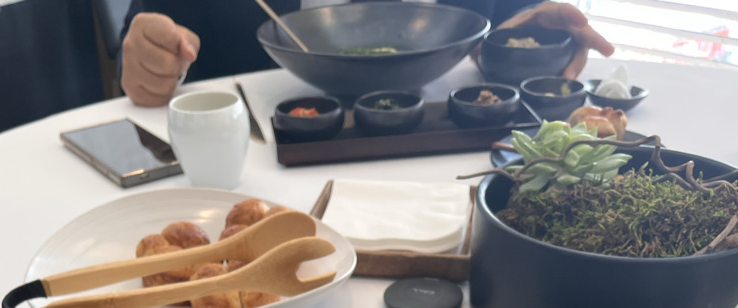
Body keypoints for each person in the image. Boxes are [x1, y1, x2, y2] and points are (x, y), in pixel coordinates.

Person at [120, 0, 614, 107]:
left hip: (449, 164)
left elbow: (504, 24)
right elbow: (152, 36)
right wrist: (153, 59)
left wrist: (522, 44)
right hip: (269, 168)